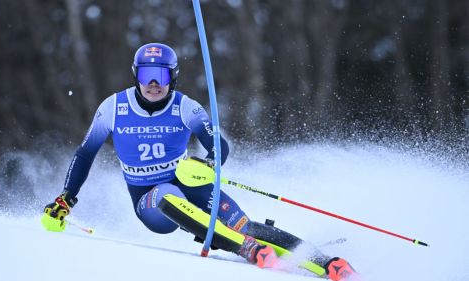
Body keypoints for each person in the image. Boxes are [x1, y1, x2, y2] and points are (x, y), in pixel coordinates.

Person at [41, 43, 356, 280]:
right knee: (168, 196)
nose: (154, 83)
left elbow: (219, 145)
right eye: (148, 75)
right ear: (137, 75)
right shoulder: (113, 107)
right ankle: (242, 247)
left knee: (246, 226)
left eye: (161, 75)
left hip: (191, 184)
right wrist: (66, 198)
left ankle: (326, 262)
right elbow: (85, 153)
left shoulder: (185, 107)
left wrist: (209, 163)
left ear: (173, 77)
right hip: (150, 201)